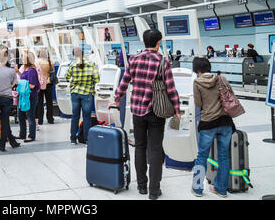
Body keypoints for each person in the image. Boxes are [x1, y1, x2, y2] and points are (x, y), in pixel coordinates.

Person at [108, 29, 181, 200]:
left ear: (143, 42)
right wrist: (177, 109)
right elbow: (171, 88)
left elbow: (124, 82)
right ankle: (154, 191)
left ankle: (141, 186)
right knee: (155, 149)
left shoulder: (133, 60)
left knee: (140, 146)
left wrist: (117, 100)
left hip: (137, 111)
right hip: (156, 111)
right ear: (158, 43)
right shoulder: (163, 62)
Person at [191, 57, 235, 198]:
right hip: (225, 122)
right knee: (224, 156)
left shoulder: (197, 82)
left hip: (208, 123)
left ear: (197, 70)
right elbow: (231, 95)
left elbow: (198, 103)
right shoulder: (221, 78)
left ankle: (197, 189)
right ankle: (221, 189)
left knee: (202, 156)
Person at [65, 47, 99, 145]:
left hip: (75, 93)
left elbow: (67, 77)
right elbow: (97, 79)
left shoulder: (72, 65)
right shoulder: (91, 64)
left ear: (74, 55)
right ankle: (87, 139)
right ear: (83, 54)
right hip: (87, 93)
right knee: (86, 117)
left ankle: (73, 139)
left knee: (75, 116)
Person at [17, 50, 40, 142]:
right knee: (21, 115)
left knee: (30, 116)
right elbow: (24, 78)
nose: (22, 60)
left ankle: (31, 135)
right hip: (24, 97)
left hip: (30, 97)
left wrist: (19, 83)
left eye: (23, 58)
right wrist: (18, 72)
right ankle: (22, 134)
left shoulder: (32, 71)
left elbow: (32, 85)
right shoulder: (26, 70)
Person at [36, 48, 55, 125]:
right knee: (49, 102)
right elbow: (52, 71)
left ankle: (40, 120)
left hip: (40, 83)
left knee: (40, 102)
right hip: (48, 83)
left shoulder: (37, 62)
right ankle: (50, 119)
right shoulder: (50, 62)